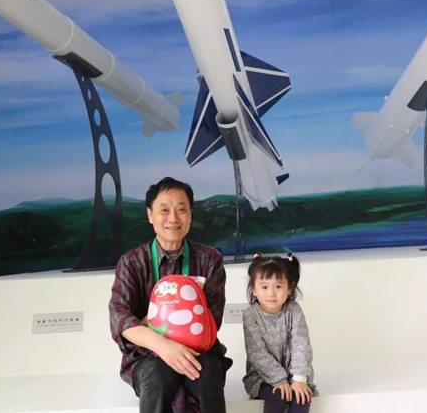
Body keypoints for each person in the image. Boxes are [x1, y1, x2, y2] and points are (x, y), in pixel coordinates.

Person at [108, 177, 232, 413]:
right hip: (147, 355)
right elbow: (120, 318)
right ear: (150, 215)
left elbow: (211, 320)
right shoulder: (132, 263)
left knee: (206, 375)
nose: (173, 218)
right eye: (164, 210)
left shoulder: (210, 260)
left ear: (190, 214)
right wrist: (163, 345)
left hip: (199, 351)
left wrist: (149, 322)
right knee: (157, 375)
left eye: (181, 210)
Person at [242, 254, 317, 413]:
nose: (271, 293)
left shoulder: (294, 310)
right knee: (278, 396)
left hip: (294, 373)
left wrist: (299, 379)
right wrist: (279, 380)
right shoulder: (251, 315)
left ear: (289, 288)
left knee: (301, 398)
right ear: (254, 289)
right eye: (264, 287)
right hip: (262, 376)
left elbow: (301, 344)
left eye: (278, 286)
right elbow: (257, 353)